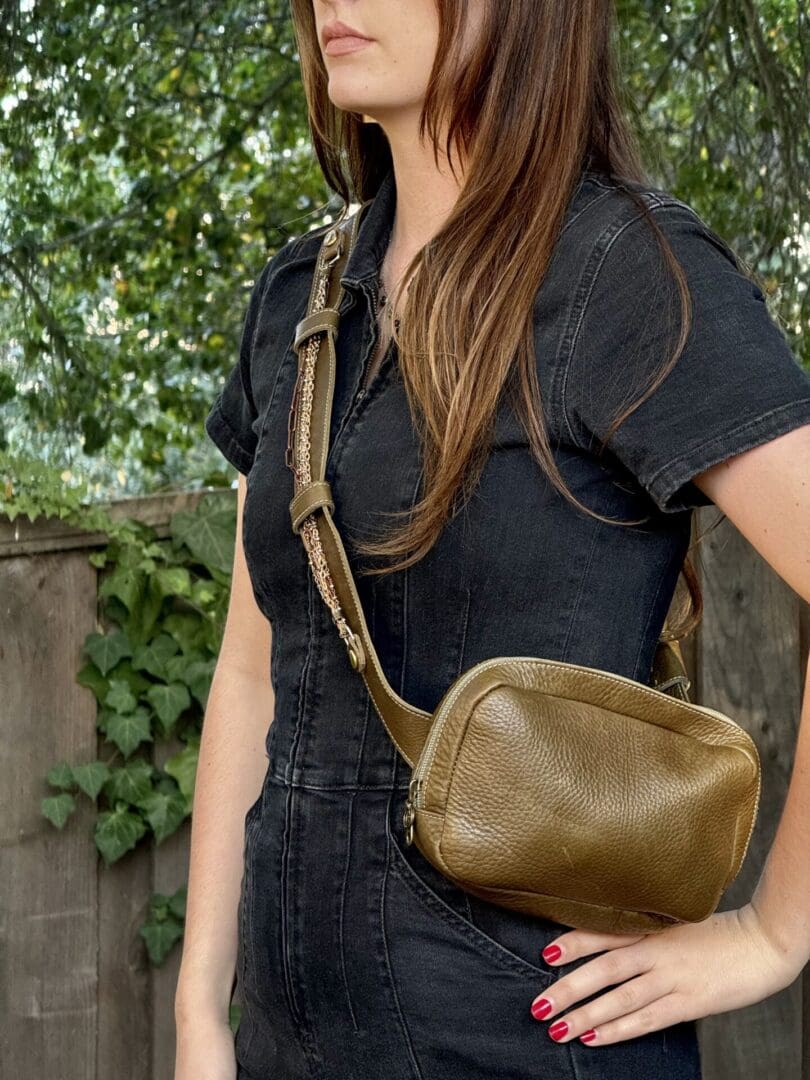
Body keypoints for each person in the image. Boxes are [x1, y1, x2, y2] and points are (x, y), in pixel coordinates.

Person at [175, 2, 810, 1078]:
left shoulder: (623, 274)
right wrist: (200, 1015)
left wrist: (773, 934)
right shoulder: (301, 299)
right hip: (287, 1042)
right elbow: (252, 671)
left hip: (520, 1037)